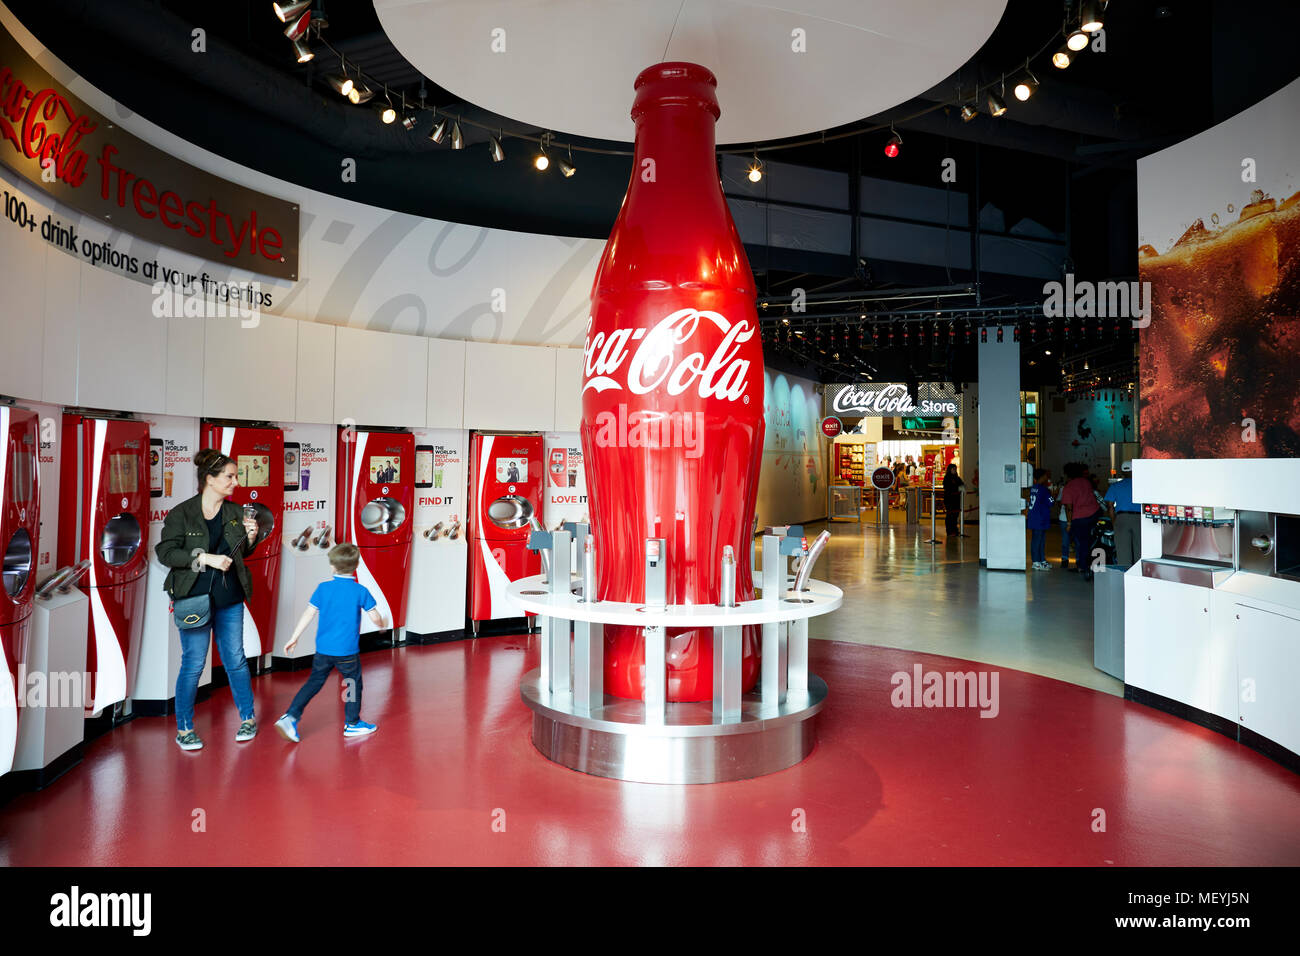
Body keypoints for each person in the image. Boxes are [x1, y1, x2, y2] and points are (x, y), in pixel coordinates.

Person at [155, 449, 260, 751]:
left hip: (230, 597)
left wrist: (250, 538)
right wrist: (207, 558)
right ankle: (185, 728)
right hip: (193, 597)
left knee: (235, 659)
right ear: (210, 480)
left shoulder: (235, 512)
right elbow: (166, 553)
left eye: (235, 476)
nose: (235, 482)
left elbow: (241, 554)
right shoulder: (181, 514)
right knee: (193, 664)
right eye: (230, 476)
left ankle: (248, 718)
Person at [275, 543, 386, 741]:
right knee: (352, 683)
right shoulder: (360, 591)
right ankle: (352, 724)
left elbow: (308, 613)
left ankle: (290, 716)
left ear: (333, 567)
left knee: (314, 682)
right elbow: (375, 615)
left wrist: (294, 637)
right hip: (347, 652)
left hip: (323, 650)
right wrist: (381, 625)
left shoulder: (323, 588)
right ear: (357, 565)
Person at [1060, 463, 1102, 580]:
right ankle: (1097, 565)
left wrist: (1069, 523)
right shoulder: (1086, 482)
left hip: (1080, 518)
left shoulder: (1068, 487)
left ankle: (1083, 566)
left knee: (1082, 543)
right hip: (1094, 514)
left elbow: (1068, 507)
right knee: (1093, 541)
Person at [1104, 460, 1141, 567]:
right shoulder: (1141, 485)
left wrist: (1114, 521)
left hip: (1121, 518)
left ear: (1122, 472)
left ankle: (1124, 574)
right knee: (1139, 548)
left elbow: (1110, 506)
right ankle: (1138, 574)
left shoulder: (1115, 486)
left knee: (1123, 550)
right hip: (1139, 518)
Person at [1027, 468, 1053, 570]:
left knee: (1038, 540)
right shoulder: (1044, 490)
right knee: (1038, 541)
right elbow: (1051, 502)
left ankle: (1041, 560)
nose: (1047, 477)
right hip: (1041, 518)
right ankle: (1036, 562)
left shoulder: (1033, 488)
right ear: (1042, 477)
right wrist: (1053, 494)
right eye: (1046, 476)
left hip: (1034, 517)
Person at [942, 463, 965, 536]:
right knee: (950, 515)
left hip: (956, 500)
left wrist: (961, 488)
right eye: (953, 469)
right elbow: (947, 487)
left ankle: (955, 529)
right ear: (950, 469)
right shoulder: (947, 478)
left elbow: (961, 484)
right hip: (949, 500)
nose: (955, 470)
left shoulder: (957, 477)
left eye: (955, 469)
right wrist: (956, 488)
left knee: (955, 515)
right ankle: (949, 531)